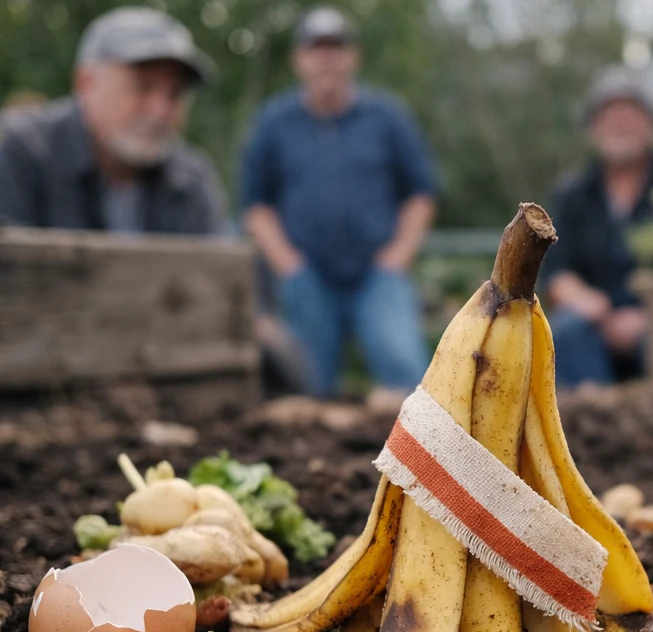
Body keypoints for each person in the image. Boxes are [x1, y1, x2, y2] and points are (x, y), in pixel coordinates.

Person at [241, 7, 436, 399]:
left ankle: (423, 459)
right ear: (299, 59)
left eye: (336, 47)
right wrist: (288, 264)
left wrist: (398, 255)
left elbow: (420, 194)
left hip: (378, 276)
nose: (326, 58)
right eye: (316, 48)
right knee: (305, 387)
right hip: (306, 277)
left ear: (352, 57)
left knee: (411, 380)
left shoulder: (388, 117)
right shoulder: (272, 123)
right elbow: (255, 205)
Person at [543, 68, 653, 388]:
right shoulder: (573, 194)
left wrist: (651, 315)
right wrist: (584, 301)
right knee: (566, 330)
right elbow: (554, 267)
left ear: (652, 125)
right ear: (593, 129)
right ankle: (586, 419)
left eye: (630, 115)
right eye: (610, 116)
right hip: (593, 325)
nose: (620, 125)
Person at [0, 7, 225, 234]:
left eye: (176, 94)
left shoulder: (190, 181)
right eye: (142, 87)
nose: (160, 112)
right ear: (86, 83)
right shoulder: (20, 153)